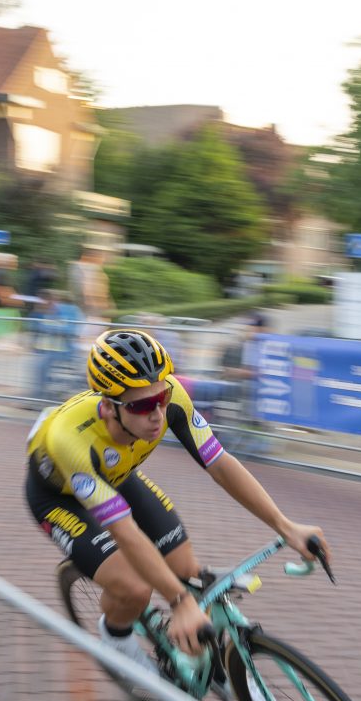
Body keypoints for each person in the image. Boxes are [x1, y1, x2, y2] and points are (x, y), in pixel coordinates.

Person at [24, 329, 330, 678]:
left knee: (187, 570)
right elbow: (123, 530)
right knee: (136, 588)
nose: (157, 413)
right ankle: (115, 636)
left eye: (162, 397)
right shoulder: (69, 439)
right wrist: (179, 603)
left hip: (116, 476)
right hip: (59, 498)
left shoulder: (170, 400)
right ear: (108, 407)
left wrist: (286, 526)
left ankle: (205, 665)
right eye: (142, 406)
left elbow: (220, 464)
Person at [31, 289, 83, 398]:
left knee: (41, 366)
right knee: (38, 365)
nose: (42, 304)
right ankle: (41, 394)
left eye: (45, 301)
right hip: (50, 350)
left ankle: (42, 395)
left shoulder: (67, 310)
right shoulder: (42, 312)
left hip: (65, 350)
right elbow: (34, 326)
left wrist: (46, 326)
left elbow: (70, 330)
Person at [68, 245, 113, 323]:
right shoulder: (86, 268)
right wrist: (95, 309)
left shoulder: (92, 268)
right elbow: (87, 290)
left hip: (93, 311)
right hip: (91, 312)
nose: (103, 260)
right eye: (101, 257)